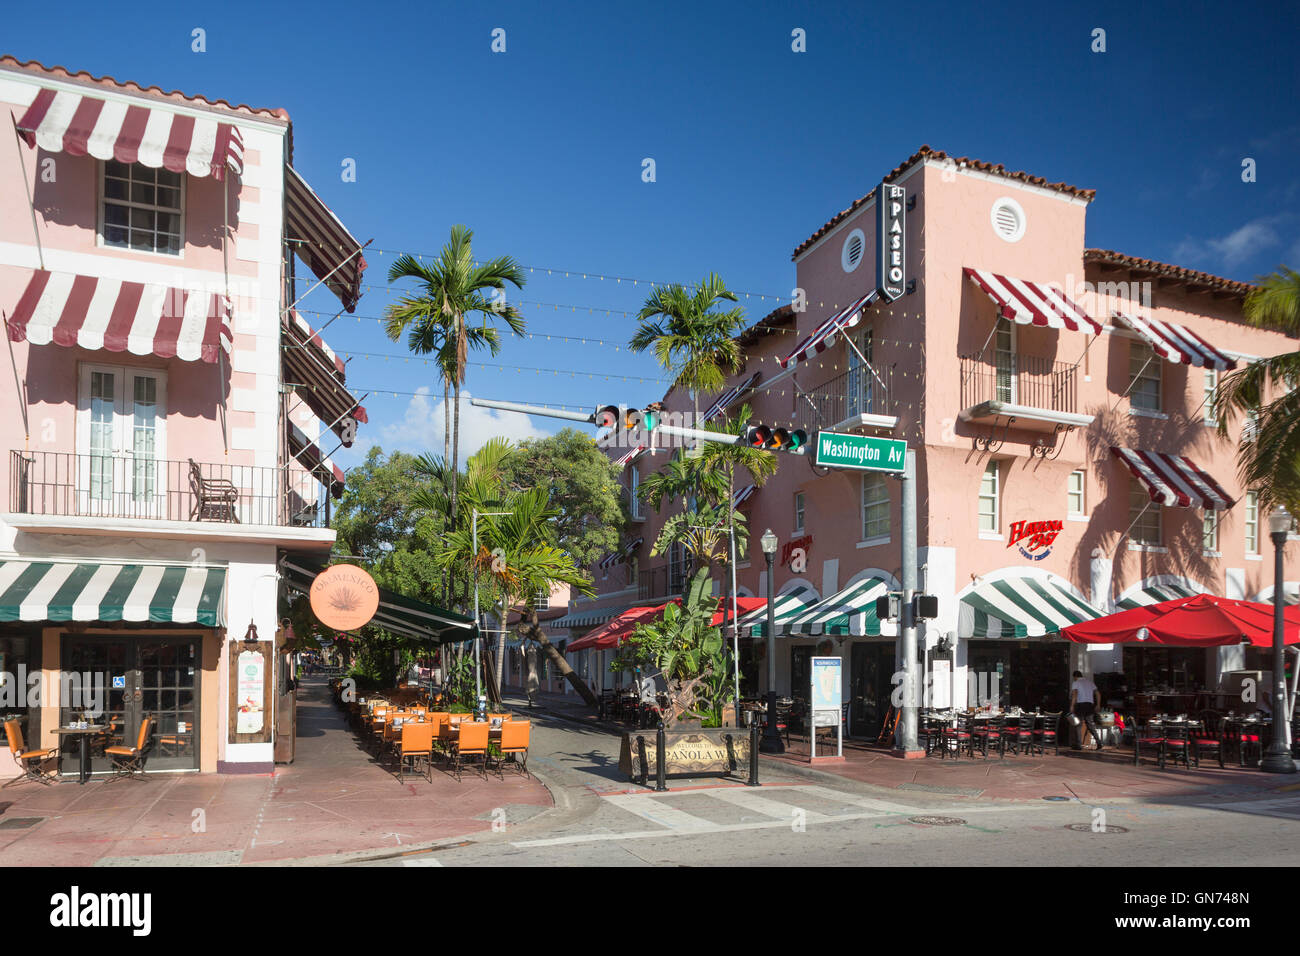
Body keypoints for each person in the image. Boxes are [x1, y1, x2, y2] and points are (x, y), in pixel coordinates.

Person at [1069, 669, 1103, 751]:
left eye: (1074, 678)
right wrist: (1098, 705)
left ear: (1075, 677)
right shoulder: (1090, 682)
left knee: (1078, 725)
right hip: (1090, 705)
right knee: (1090, 725)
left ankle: (1079, 745)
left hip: (1080, 705)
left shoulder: (1076, 683)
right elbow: (1098, 693)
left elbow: (1075, 694)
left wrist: (1072, 705)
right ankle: (1099, 743)